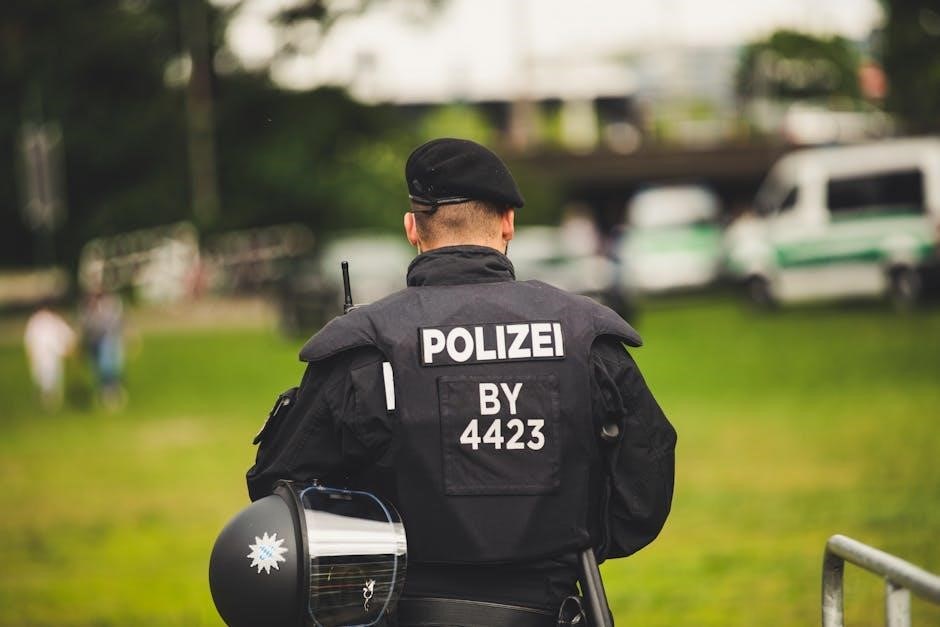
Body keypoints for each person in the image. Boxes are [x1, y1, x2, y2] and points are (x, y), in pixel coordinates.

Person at [247, 138, 677, 626]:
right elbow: (643, 492)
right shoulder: (584, 334)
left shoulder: (367, 345)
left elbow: (281, 495)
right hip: (551, 605)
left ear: (412, 228)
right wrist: (563, 546)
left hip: (401, 609)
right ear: (508, 223)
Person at [23, 305, 77, 411]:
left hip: (51, 354)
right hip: (42, 354)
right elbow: (29, 339)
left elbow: (67, 335)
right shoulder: (37, 321)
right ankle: (47, 399)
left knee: (51, 376)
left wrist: (68, 348)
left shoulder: (50, 320)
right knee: (43, 377)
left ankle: (50, 401)